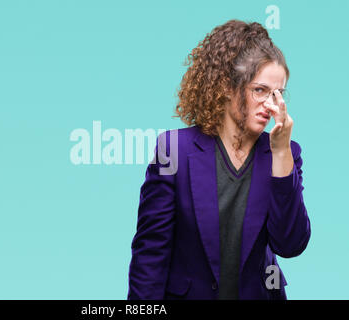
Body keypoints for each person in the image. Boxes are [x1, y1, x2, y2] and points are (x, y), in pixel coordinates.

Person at [127, 19, 311, 300]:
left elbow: (290, 244)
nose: (271, 105)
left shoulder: (286, 153)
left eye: (278, 94)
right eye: (259, 90)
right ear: (226, 86)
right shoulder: (174, 150)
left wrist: (282, 153)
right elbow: (150, 256)